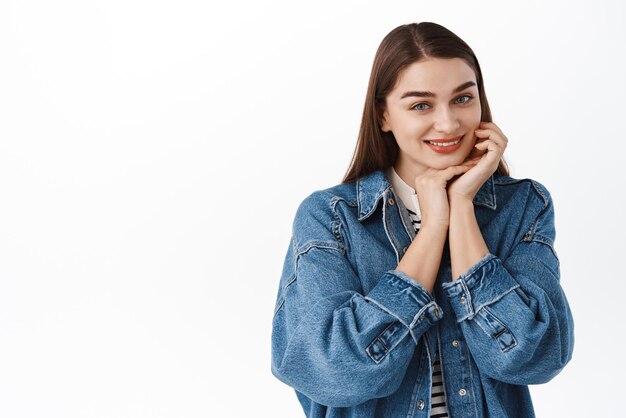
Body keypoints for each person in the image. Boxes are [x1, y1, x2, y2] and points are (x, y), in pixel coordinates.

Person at [270, 21, 574, 418]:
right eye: (420, 105)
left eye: (463, 99)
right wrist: (432, 230)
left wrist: (461, 203)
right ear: (383, 116)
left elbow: (534, 356)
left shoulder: (522, 206)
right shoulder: (331, 218)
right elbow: (335, 372)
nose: (448, 124)